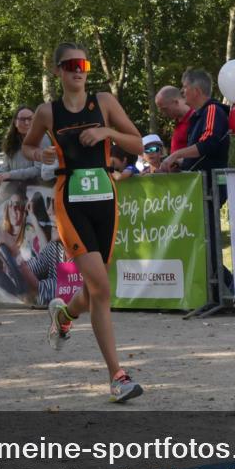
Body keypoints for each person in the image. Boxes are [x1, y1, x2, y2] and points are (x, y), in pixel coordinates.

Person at [22, 42, 145, 403]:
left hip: (105, 200)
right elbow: (27, 145)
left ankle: (64, 314)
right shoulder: (48, 112)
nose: (79, 69)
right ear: (58, 71)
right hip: (70, 202)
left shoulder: (104, 103)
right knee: (102, 289)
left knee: (93, 291)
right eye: (71, 64)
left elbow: (139, 144)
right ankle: (117, 377)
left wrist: (107, 134)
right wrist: (39, 152)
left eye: (84, 64)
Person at [159, 67, 233, 296]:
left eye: (185, 88)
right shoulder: (198, 116)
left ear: (196, 90)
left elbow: (209, 143)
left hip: (211, 184)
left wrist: (177, 155)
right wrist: (179, 165)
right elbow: (200, 154)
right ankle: (218, 288)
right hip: (199, 185)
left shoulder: (212, 110)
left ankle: (227, 286)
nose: (183, 92)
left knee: (208, 238)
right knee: (201, 238)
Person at [0, 107, 43, 185]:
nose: (26, 122)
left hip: (38, 190)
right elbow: (6, 168)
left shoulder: (42, 139)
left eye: (30, 119)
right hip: (16, 190)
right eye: (22, 119)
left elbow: (39, 169)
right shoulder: (11, 142)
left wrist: (10, 175)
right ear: (15, 122)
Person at [155, 85, 194, 155]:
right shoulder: (178, 120)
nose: (163, 114)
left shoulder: (196, 119)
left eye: (164, 109)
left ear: (176, 102)